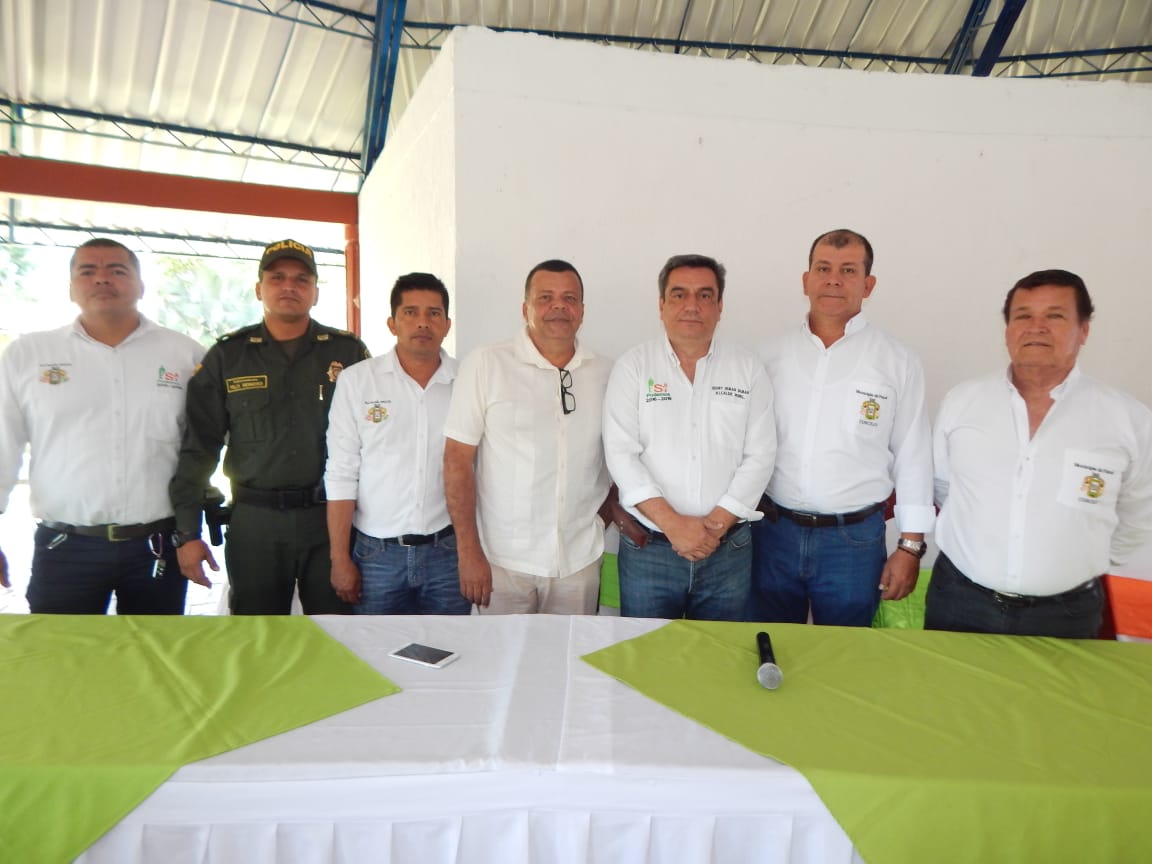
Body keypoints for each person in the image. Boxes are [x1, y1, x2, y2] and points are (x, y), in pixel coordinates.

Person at [926, 269, 1152, 638]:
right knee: (951, 696)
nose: (1037, 327)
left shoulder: (1127, 419)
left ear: (1084, 330)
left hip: (1066, 613)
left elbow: (1137, 514)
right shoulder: (963, 402)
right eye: (1023, 316)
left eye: (1055, 315)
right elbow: (944, 486)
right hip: (959, 601)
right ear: (1007, 330)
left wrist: (1067, 562)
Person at [0, 238, 203, 614]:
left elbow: (206, 445)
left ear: (140, 286)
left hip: (156, 544)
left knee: (154, 660)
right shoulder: (28, 355)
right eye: (88, 271)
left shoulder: (185, 354)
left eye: (117, 270)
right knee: (62, 659)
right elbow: (3, 447)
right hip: (65, 547)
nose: (102, 279)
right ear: (71, 287)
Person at [169, 239, 370, 615]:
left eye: (301, 279)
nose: (289, 286)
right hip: (255, 524)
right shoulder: (228, 356)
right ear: (259, 289)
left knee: (337, 633)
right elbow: (199, 449)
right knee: (256, 636)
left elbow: (374, 443)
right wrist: (187, 532)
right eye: (277, 277)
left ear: (315, 292)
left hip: (329, 521)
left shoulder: (347, 353)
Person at [749, 229, 934, 627]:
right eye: (824, 268)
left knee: (848, 659)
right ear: (806, 280)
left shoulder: (897, 361)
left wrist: (910, 545)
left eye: (848, 270)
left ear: (868, 285)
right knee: (769, 647)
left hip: (853, 542)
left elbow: (914, 455)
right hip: (773, 535)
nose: (834, 279)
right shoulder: (766, 357)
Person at [603, 253, 776, 620]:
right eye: (679, 294)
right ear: (662, 305)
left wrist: (711, 528)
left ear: (720, 306)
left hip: (727, 550)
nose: (692, 306)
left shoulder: (747, 368)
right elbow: (621, 455)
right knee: (647, 660)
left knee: (718, 661)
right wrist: (673, 525)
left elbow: (760, 456)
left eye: (704, 295)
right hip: (650, 548)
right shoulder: (633, 368)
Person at [443, 259, 619, 614]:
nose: (558, 306)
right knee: (502, 665)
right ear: (525, 309)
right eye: (545, 297)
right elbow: (456, 461)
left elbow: (624, 456)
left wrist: (601, 519)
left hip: (579, 561)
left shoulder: (607, 372)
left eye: (570, 298)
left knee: (569, 663)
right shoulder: (487, 363)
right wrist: (469, 553)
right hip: (502, 562)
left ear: (582, 311)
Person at [323, 272, 468, 614]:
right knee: (375, 657)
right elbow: (342, 472)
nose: (423, 323)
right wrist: (339, 558)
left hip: (448, 553)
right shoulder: (357, 382)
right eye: (410, 313)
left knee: (454, 653)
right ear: (392, 323)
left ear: (446, 324)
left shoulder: (467, 382)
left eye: (434, 314)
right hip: (377, 557)